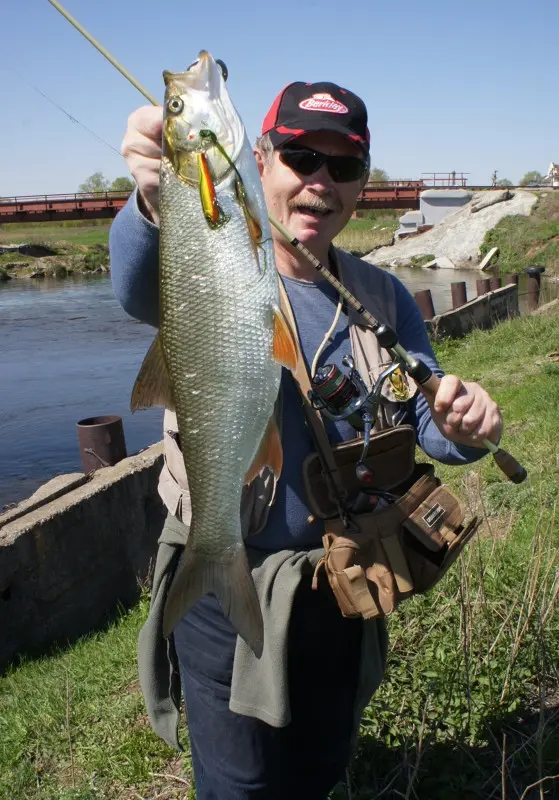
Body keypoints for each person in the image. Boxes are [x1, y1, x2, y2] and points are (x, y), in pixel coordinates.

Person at [110, 79, 502, 800]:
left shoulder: (382, 297)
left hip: (342, 585)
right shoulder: (218, 256)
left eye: (343, 166)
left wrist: (463, 428)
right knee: (239, 784)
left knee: (321, 761)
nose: (320, 181)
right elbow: (137, 286)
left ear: (360, 186)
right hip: (225, 585)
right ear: (257, 161)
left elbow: (427, 423)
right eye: (299, 157)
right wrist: (149, 201)